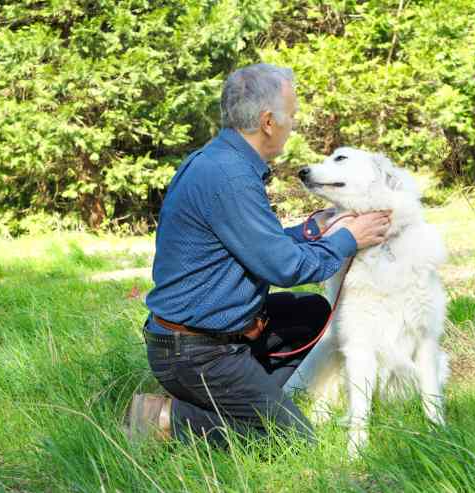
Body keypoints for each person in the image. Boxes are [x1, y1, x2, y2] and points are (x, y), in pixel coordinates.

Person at [126, 63, 391, 446]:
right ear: (268, 121)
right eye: (291, 116)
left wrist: (309, 231)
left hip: (212, 334)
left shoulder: (219, 161)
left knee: (314, 315)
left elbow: (251, 246)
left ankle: (251, 400)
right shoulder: (230, 177)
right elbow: (286, 267)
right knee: (294, 441)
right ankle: (166, 416)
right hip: (197, 353)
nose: (293, 125)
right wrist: (349, 237)